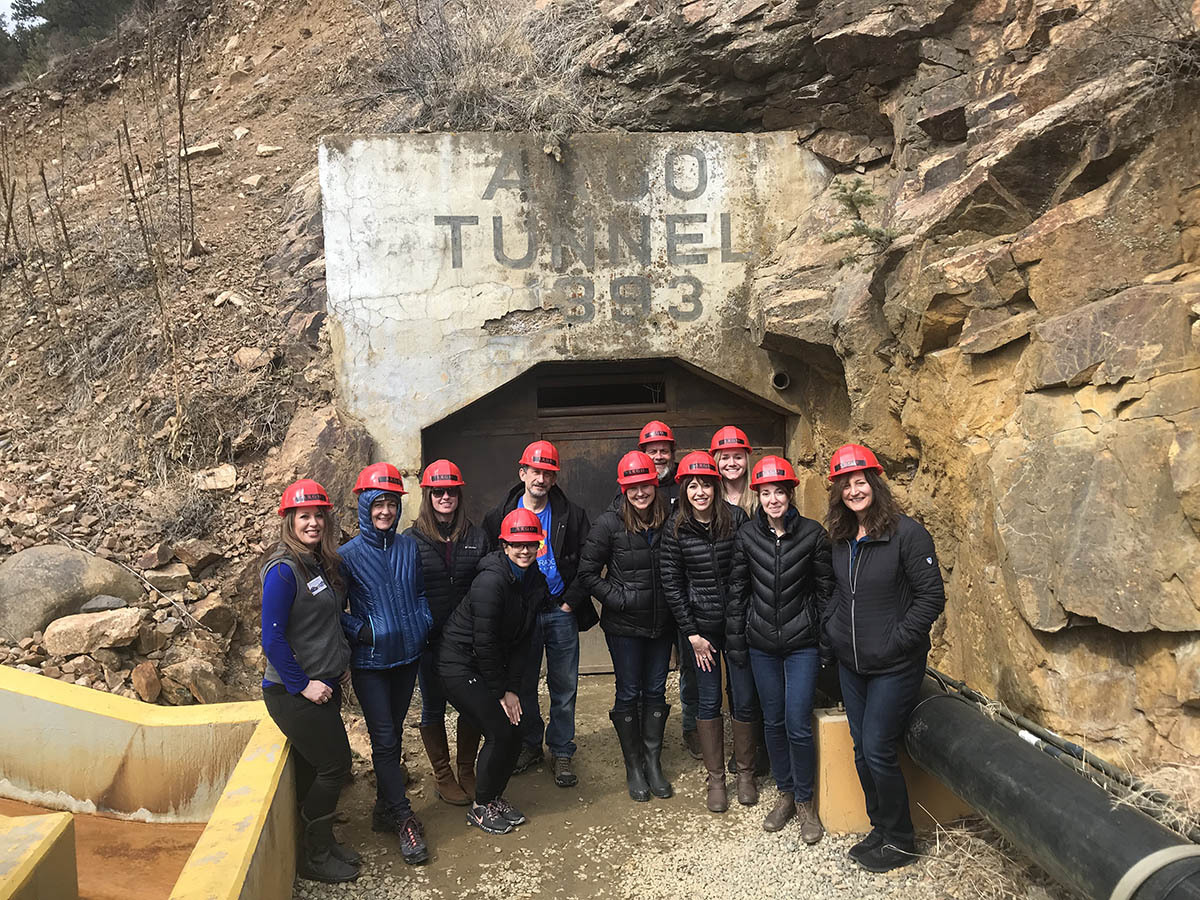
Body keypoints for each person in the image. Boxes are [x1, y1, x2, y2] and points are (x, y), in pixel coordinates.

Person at [824, 443, 945, 873]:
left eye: (860, 482)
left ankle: (901, 838)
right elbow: (839, 593)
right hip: (852, 664)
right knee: (861, 750)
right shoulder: (842, 538)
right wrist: (834, 630)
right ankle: (880, 826)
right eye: (845, 485)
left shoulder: (907, 534)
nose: (854, 491)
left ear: (874, 484)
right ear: (837, 493)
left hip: (894, 664)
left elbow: (932, 597)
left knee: (877, 748)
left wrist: (899, 640)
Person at [728, 456, 834, 841]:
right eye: (766, 492)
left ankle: (806, 803)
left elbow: (826, 595)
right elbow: (737, 594)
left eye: (780, 492)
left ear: (791, 494)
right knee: (771, 721)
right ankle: (785, 794)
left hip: (801, 644)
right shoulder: (747, 537)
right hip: (761, 645)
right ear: (757, 496)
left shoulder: (813, 535)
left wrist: (825, 647)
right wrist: (738, 642)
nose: (773, 499)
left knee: (797, 722)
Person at [260, 479, 358, 884]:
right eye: (305, 516)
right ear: (289, 520)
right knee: (336, 765)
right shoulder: (284, 570)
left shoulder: (317, 562)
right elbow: (272, 638)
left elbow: (324, 622)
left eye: (319, 515)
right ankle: (314, 856)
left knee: (314, 768)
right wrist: (303, 684)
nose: (313, 522)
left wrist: (340, 662)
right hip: (292, 693)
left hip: (322, 687)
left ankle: (319, 842)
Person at [482, 440, 592, 788]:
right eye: (535, 471)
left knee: (564, 685)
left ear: (554, 477)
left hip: (559, 610)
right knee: (523, 683)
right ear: (523, 473)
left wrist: (570, 601)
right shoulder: (500, 514)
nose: (541, 478)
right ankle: (530, 744)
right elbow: (491, 561)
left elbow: (588, 563)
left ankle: (561, 750)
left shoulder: (571, 515)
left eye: (547, 472)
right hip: (521, 614)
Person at [339, 463, 433, 865]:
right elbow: (335, 610)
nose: (386, 512)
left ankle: (382, 807)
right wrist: (363, 632)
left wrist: (422, 622)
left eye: (392, 504)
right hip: (371, 663)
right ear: (364, 505)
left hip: (407, 657)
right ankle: (401, 814)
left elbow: (421, 592)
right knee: (384, 739)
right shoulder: (345, 556)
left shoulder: (409, 547)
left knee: (394, 732)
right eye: (378, 503)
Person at [437, 508, 547, 834]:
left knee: (517, 728)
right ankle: (481, 805)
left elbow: (522, 641)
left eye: (530, 543)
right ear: (504, 545)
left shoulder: (534, 579)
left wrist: (512, 687)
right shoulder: (491, 580)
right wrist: (501, 692)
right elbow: (484, 642)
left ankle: (495, 796)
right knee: (500, 731)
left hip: (488, 664)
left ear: (539, 544)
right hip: (458, 665)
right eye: (517, 544)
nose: (524, 550)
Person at [578, 450, 675, 802]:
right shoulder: (608, 524)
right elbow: (588, 574)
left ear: (655, 483)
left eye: (645, 485)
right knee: (629, 691)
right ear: (623, 488)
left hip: (662, 623)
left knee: (656, 690)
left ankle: (653, 762)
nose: (639, 493)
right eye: (632, 487)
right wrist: (619, 598)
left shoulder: (670, 518)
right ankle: (633, 765)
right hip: (624, 626)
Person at [661, 451, 754, 813]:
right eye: (693, 486)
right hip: (702, 630)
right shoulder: (675, 527)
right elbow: (673, 583)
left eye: (706, 485)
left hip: (737, 623)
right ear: (684, 489)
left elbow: (745, 571)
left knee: (744, 696)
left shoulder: (736, 518)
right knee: (708, 698)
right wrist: (692, 633)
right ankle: (716, 778)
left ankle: (745, 772)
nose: (700, 492)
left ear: (716, 487)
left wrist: (740, 616)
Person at [404, 459, 487, 808]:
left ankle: (466, 769)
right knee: (433, 707)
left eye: (451, 491)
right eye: (437, 491)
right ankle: (442, 775)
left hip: (467, 641)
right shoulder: (411, 541)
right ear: (428, 495)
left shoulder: (476, 536)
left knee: (470, 705)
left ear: (459, 494)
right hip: (430, 641)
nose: (445, 497)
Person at [711, 426, 756, 516]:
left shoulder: (759, 494)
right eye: (725, 458)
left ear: (746, 460)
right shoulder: (709, 495)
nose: (732, 463)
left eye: (738, 457)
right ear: (716, 461)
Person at [638, 420, 679, 503]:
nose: (659, 457)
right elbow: (614, 511)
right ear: (643, 454)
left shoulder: (683, 478)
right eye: (653, 452)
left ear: (672, 453)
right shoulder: (634, 479)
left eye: (664, 451)